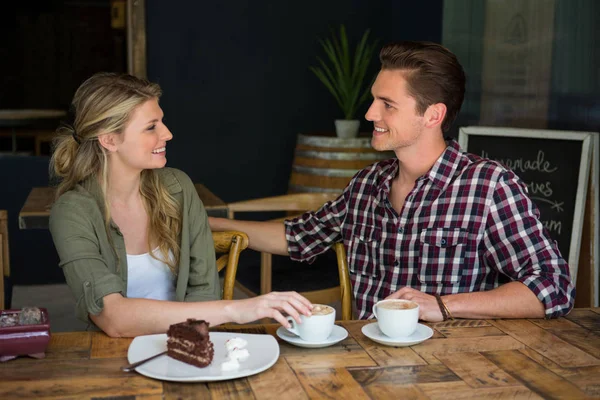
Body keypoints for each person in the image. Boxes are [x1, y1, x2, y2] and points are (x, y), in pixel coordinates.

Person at [210, 41, 575, 322]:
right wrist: (212, 223)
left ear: (433, 115)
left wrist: (441, 306)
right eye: (373, 100)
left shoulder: (489, 186)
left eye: (388, 104)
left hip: (453, 369)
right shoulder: (367, 184)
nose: (370, 113)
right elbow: (300, 237)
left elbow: (553, 287)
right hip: (364, 361)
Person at [49, 72, 312, 338]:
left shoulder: (178, 188)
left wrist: (183, 352)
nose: (167, 133)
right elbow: (112, 317)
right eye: (151, 127)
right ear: (109, 140)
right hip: (110, 356)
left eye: (161, 122)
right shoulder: (72, 212)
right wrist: (235, 310)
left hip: (184, 343)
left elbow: (203, 291)